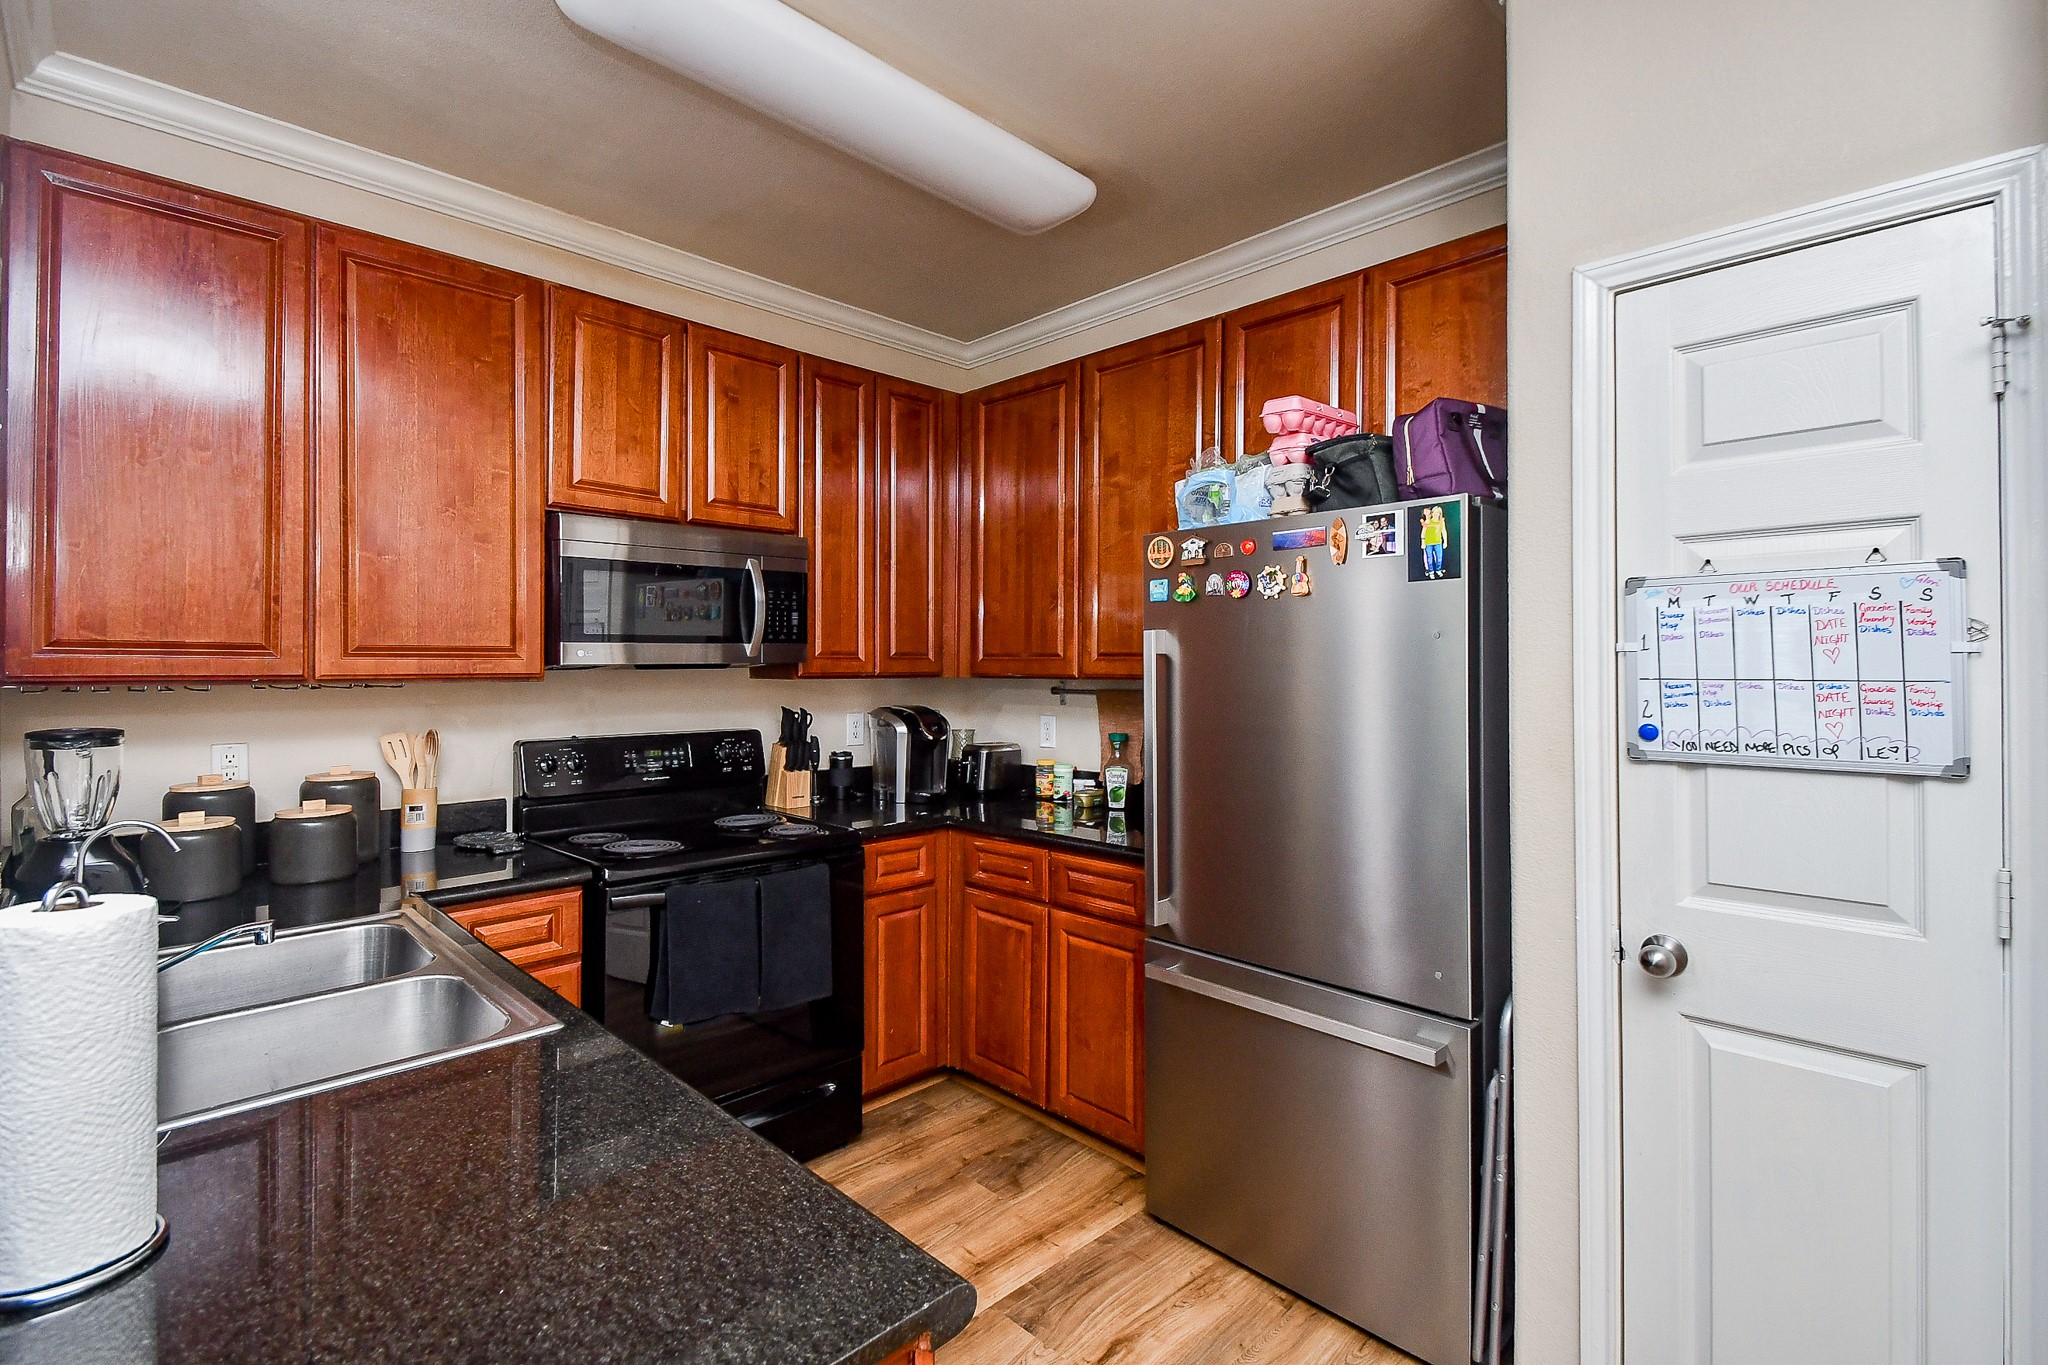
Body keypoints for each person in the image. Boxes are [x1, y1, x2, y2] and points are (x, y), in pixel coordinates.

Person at [1420, 505, 1448, 578]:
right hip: (1428, 543)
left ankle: (1438, 570)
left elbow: (1444, 531)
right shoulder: (1428, 521)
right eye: (1434, 512)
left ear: (1440, 513)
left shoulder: (1441, 521)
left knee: (1439, 557)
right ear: (1432, 513)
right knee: (1429, 558)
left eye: (1438, 512)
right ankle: (1431, 571)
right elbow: (1423, 532)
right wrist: (1423, 542)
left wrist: (1445, 541)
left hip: (1438, 542)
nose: (1436, 514)